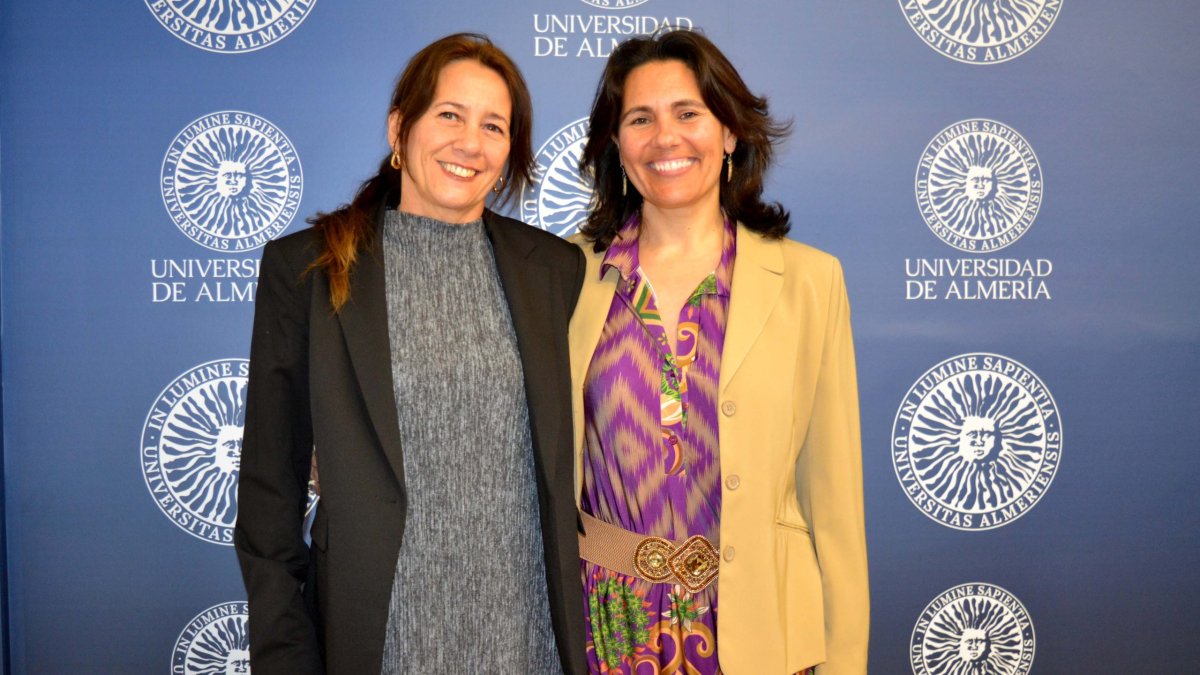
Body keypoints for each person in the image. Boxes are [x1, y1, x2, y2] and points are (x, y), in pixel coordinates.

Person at [234, 33, 587, 674]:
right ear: (401, 128)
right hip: (381, 642)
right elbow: (269, 490)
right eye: (449, 115)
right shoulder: (309, 269)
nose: (470, 144)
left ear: (509, 152)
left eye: (494, 126)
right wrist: (286, 657)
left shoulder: (554, 270)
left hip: (528, 643)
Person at [569, 30, 868, 674]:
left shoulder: (811, 282)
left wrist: (844, 662)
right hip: (605, 634)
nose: (665, 138)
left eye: (688, 114)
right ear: (616, 145)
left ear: (730, 132)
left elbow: (835, 506)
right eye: (640, 119)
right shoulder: (563, 275)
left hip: (763, 632)